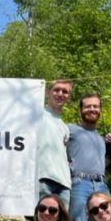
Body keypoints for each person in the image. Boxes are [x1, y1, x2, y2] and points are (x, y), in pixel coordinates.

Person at [67, 92, 109, 221]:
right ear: (80, 110)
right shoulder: (70, 129)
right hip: (79, 183)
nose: (92, 109)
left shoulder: (101, 138)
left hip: (101, 184)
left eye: (96, 106)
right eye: (88, 106)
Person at [37, 79, 73, 209]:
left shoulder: (65, 127)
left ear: (68, 97)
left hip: (64, 183)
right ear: (48, 93)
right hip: (44, 177)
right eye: (56, 90)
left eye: (65, 91)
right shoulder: (38, 114)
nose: (60, 94)